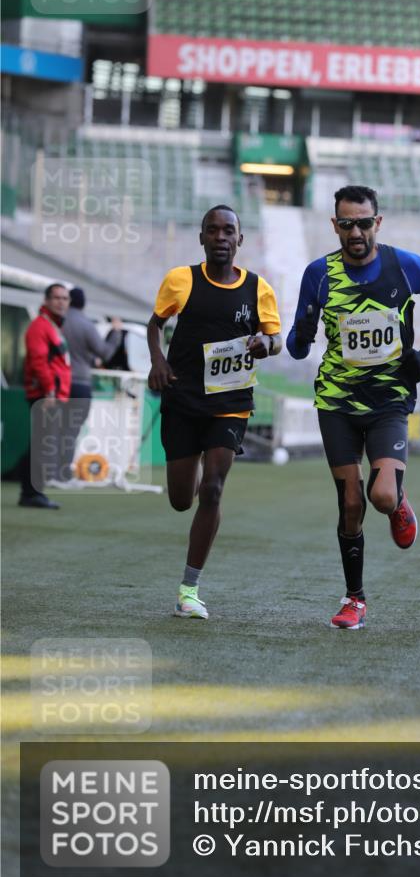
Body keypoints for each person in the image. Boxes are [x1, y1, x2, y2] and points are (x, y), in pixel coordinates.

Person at [287, 185, 420, 630]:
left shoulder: (404, 266)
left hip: (389, 399)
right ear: (335, 226)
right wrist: (303, 328)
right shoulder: (319, 274)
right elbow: (296, 345)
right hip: (337, 402)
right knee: (350, 504)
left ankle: (399, 501)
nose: (356, 232)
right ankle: (355, 599)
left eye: (364, 222)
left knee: (381, 496)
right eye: (346, 224)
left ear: (377, 223)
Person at [147, 204, 282, 620]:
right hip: (184, 399)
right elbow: (154, 324)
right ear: (201, 237)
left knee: (214, 489)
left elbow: (277, 340)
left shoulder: (258, 289)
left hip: (231, 401)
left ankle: (189, 589)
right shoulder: (180, 280)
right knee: (180, 500)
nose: (221, 237)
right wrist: (157, 361)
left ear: (240, 240)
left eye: (229, 231)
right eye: (213, 230)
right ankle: (191, 490)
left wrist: (266, 344)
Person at [60, 287, 124, 481]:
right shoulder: (86, 325)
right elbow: (104, 352)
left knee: (51, 430)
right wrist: (116, 333)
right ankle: (62, 476)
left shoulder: (57, 322)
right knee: (70, 432)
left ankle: (46, 473)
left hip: (57, 383)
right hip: (79, 384)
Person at [18, 282, 72, 509]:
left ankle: (31, 491)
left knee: (42, 443)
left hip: (53, 394)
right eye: (57, 297)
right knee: (42, 443)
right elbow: (39, 362)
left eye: (65, 298)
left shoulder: (51, 325)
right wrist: (49, 391)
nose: (61, 302)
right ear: (47, 301)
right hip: (45, 394)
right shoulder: (40, 326)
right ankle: (31, 494)